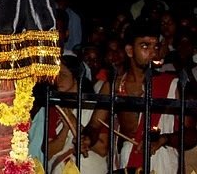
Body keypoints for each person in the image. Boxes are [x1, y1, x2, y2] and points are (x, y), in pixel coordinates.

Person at [81, 20, 197, 173]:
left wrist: (165, 139)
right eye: (145, 46)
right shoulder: (114, 85)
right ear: (130, 51)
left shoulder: (174, 85)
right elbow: (95, 125)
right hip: (128, 161)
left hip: (163, 161)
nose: (153, 52)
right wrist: (87, 138)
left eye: (156, 46)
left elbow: (191, 135)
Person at [46, 55, 107, 174]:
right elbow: (48, 152)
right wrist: (65, 128)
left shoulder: (95, 109)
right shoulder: (54, 108)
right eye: (56, 75)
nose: (58, 79)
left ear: (76, 78)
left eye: (63, 75)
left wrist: (72, 120)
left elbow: (102, 149)